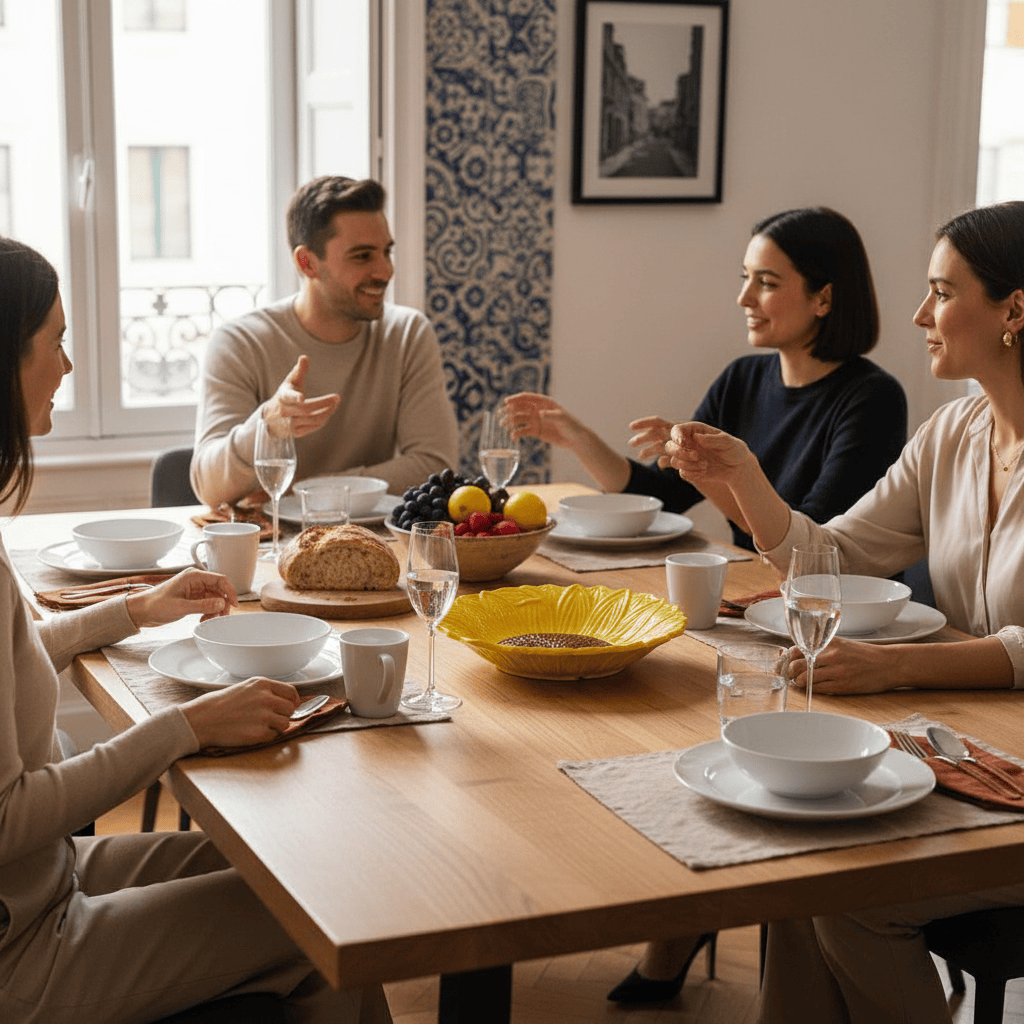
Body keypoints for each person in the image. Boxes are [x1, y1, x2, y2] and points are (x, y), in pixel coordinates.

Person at [0, 237, 391, 1023]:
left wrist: (132, 611)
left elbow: (10, 665)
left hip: (45, 884)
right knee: (326, 918)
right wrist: (184, 726)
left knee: (304, 872)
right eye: (58, 342)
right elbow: (8, 818)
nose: (69, 367)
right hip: (23, 953)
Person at [656, 201, 1024, 1023]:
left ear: (1015, 309)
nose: (921, 315)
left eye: (941, 292)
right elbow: (836, 560)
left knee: (853, 896)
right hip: (976, 748)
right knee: (796, 875)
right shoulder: (952, 433)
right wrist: (745, 478)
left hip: (994, 762)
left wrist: (898, 666)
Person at [505, 207, 908, 552]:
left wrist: (713, 474)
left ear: (823, 299)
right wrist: (578, 437)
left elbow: (807, 546)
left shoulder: (874, 399)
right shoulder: (741, 379)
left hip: (837, 617)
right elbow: (661, 497)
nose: (744, 297)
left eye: (766, 283)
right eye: (745, 277)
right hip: (760, 593)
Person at [191, 175, 458, 508]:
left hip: (368, 544)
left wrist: (304, 491)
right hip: (271, 549)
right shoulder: (239, 343)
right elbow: (209, 488)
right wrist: (266, 425)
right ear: (307, 263)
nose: (385, 271)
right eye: (362, 256)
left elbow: (435, 465)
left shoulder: (407, 334)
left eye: (386, 252)